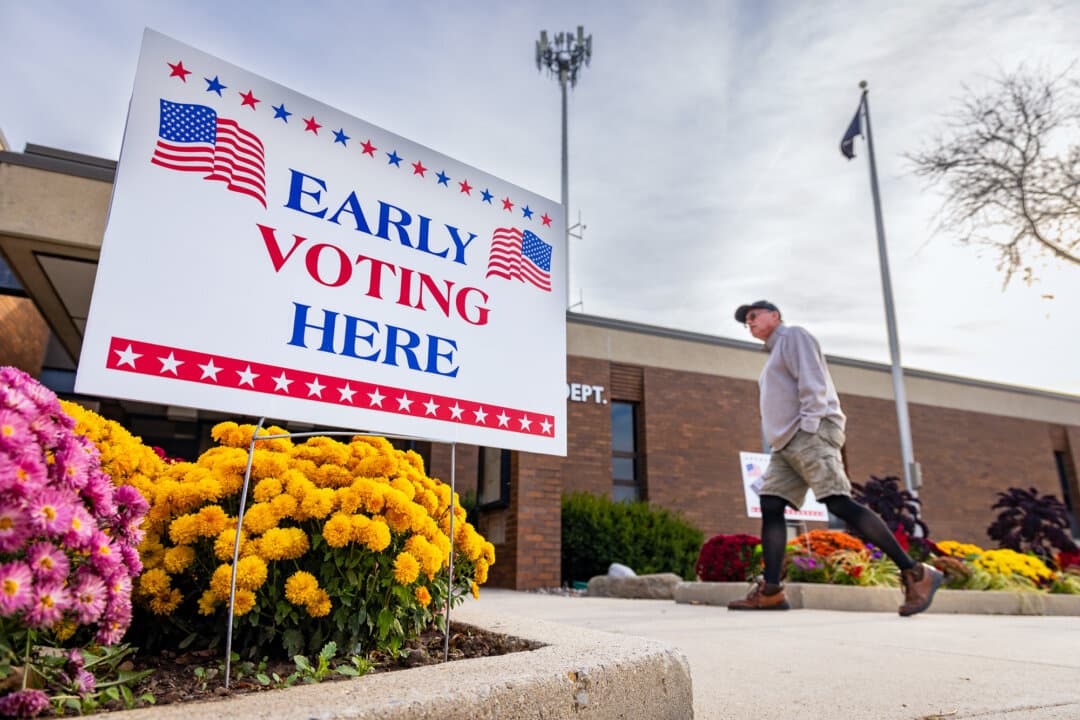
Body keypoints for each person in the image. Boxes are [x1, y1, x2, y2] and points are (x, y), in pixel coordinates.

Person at [727, 300, 943, 616]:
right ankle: (771, 591)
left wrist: (812, 426)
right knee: (771, 505)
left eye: (754, 316)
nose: (750, 323)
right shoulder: (774, 353)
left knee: (837, 501)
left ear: (775, 315)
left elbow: (812, 381)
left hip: (808, 433)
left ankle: (916, 572)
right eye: (746, 321)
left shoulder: (793, 336)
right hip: (786, 444)